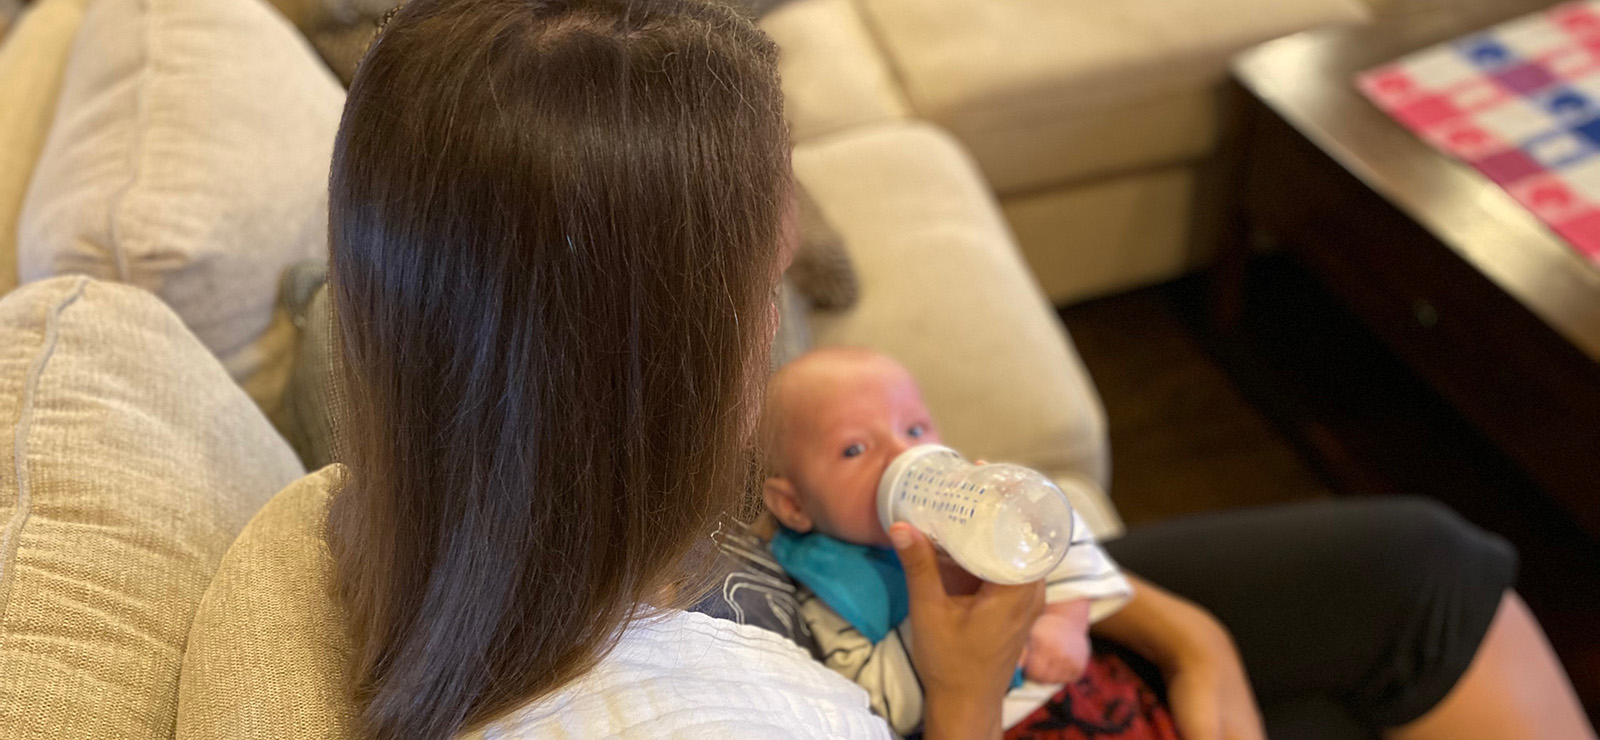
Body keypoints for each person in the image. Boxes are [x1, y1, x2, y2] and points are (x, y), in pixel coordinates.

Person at [320, 0, 1599, 739]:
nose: (776, 335)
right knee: (1410, 620)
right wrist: (975, 678)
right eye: (761, 295)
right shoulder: (694, 714)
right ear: (644, 361)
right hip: (975, 699)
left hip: (982, 657)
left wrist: (1191, 640)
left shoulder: (464, 486)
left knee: (1424, 568)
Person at [757, 346, 1185, 739]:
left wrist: (1066, 619)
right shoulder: (829, 591)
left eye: (915, 428)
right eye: (854, 449)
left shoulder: (967, 512)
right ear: (794, 505)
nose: (900, 454)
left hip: (1086, 693)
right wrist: (951, 648)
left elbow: (1060, 537)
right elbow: (882, 705)